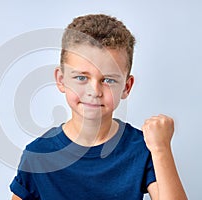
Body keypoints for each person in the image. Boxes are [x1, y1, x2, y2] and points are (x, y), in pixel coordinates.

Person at [10, 14, 187, 200]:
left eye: (108, 80)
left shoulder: (143, 148)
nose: (94, 91)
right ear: (61, 80)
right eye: (81, 78)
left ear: (126, 87)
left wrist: (161, 148)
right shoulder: (38, 155)